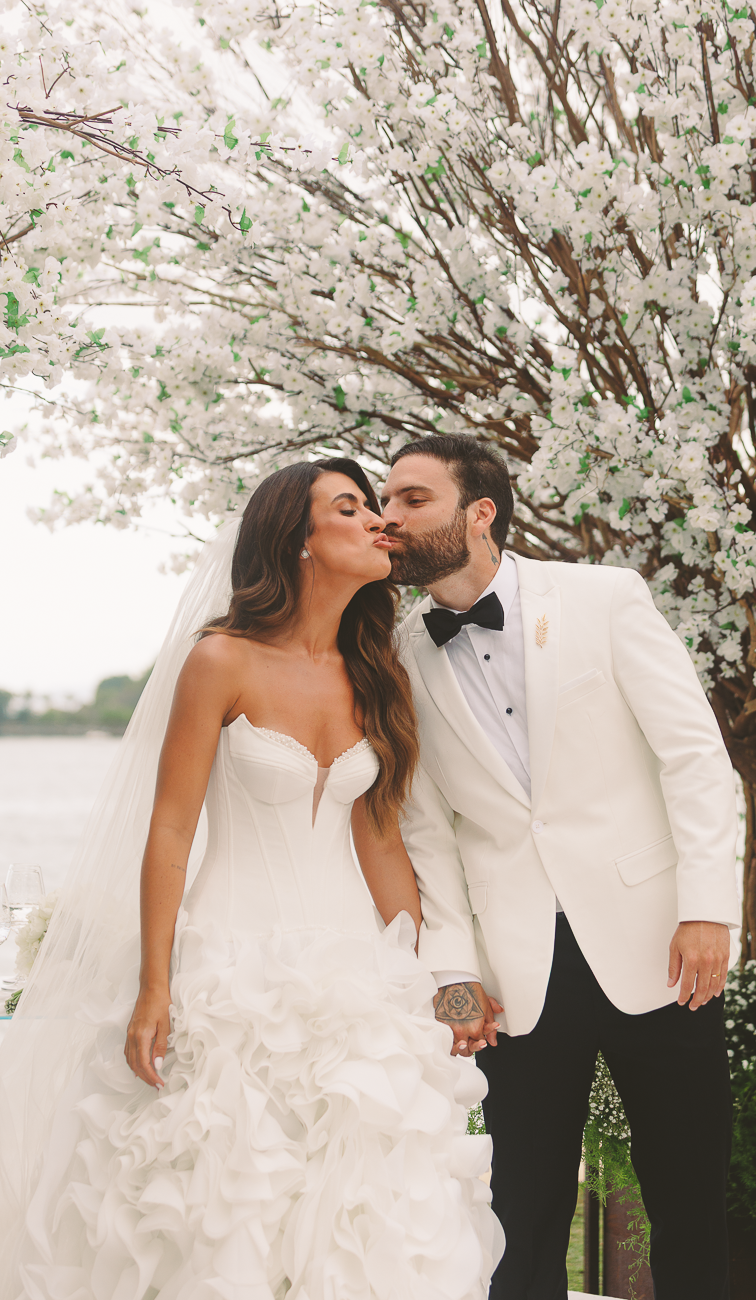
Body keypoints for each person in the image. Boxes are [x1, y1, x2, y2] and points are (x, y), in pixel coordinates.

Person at [0, 458, 502, 1300]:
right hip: (229, 968)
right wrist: (156, 985)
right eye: (350, 507)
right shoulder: (221, 661)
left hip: (355, 980)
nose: (379, 519)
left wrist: (435, 986)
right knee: (217, 1205)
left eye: (376, 505)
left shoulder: (378, 673)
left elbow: (381, 842)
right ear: (297, 542)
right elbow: (170, 830)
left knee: (362, 1213)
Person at [380, 435, 739, 1300]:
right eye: (384, 501)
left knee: (689, 1197)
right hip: (515, 972)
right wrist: (454, 973)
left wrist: (707, 909)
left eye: (411, 500)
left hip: (662, 945)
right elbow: (425, 834)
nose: (388, 518)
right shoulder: (398, 655)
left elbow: (692, 757)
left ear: (480, 513)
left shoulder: (603, 597)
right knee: (520, 1211)